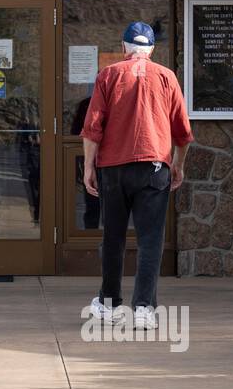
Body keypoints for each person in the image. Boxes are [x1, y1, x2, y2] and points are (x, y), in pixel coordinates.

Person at [80, 22, 193, 329]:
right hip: (154, 166)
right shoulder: (167, 77)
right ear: (152, 50)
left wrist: (89, 166)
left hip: (113, 168)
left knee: (113, 236)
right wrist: (178, 166)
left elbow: (93, 127)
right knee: (151, 239)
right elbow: (182, 132)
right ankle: (143, 308)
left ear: (124, 47)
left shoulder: (108, 74)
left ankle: (109, 303)